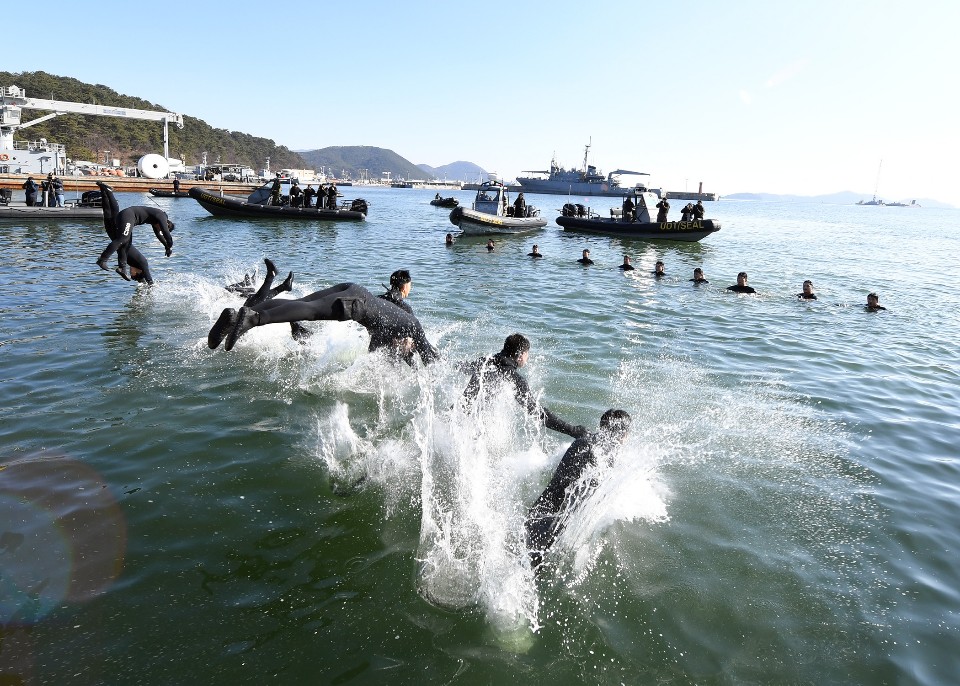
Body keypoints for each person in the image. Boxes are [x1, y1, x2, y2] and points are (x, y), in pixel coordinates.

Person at [209, 282, 440, 366]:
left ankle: (237, 316)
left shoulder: (388, 329)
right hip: (357, 304)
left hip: (354, 289)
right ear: (411, 343)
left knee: (301, 303)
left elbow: (374, 358)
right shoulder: (414, 329)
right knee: (310, 311)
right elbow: (431, 362)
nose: (398, 350)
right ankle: (253, 319)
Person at [525, 409, 632, 568]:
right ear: (623, 435)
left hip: (539, 508)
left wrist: (531, 405)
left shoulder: (585, 435)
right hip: (557, 523)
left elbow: (551, 420)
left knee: (521, 556)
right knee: (533, 571)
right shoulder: (610, 457)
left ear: (602, 427)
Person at [461, 334, 587, 439]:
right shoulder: (513, 378)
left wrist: (441, 359)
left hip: (456, 418)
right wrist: (574, 430)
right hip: (472, 428)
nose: (528, 357)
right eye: (527, 353)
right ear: (520, 355)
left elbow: (461, 367)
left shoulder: (484, 362)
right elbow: (538, 413)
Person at [95, 182, 174, 281]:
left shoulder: (156, 222)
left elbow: (159, 236)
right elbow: (166, 233)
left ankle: (122, 268)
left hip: (128, 218)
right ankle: (102, 259)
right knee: (122, 239)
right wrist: (170, 244)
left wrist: (167, 247)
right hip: (128, 216)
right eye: (161, 228)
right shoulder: (162, 216)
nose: (160, 230)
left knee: (126, 243)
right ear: (166, 224)